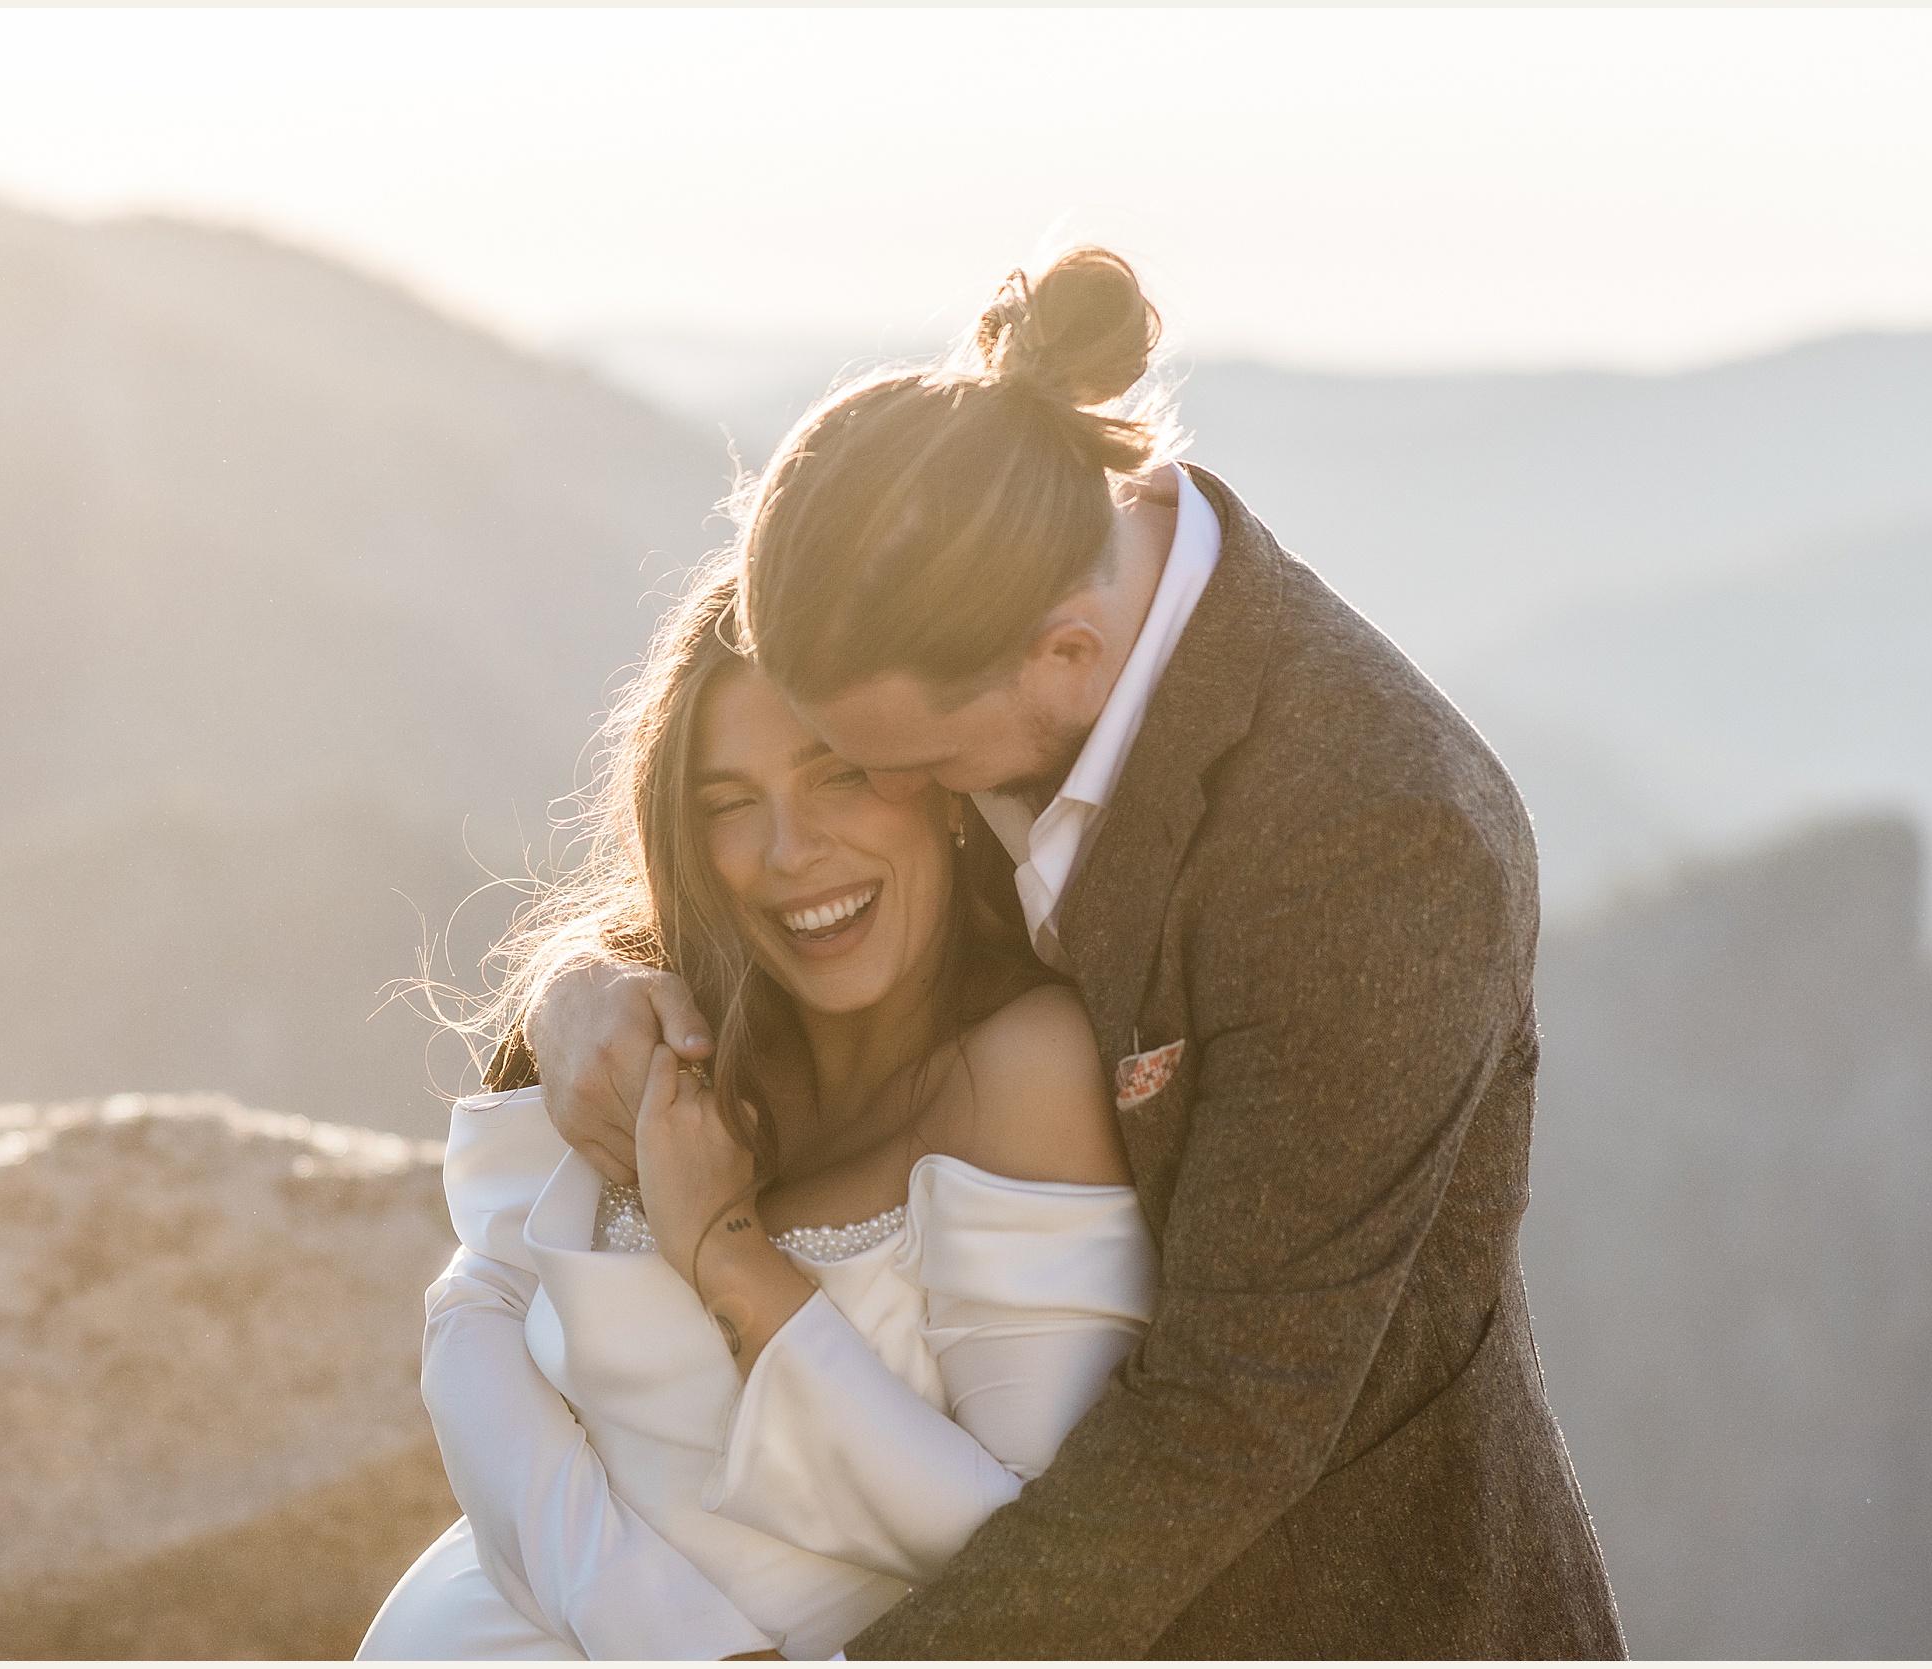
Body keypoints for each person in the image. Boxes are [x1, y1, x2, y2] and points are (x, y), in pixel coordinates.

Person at [524, 248, 1628, 1657]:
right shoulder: (958, 625)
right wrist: (581, 990)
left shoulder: (1380, 838)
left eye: (898, 766)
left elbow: (1227, 1418)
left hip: (1324, 1606)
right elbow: (763, 882)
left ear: (1063, 654)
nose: (881, 806)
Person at [357, 567, 1158, 1660]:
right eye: (729, 804)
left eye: (837, 777)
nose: (789, 852)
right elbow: (472, 1313)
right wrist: (658, 1628)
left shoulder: (1022, 1068)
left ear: (937, 782)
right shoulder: (664, 1021)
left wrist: (728, 1257)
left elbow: (1025, 1545)